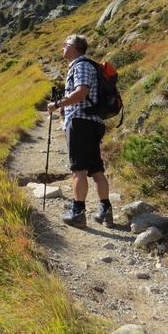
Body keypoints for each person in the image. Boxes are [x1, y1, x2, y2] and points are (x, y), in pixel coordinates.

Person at [47, 34, 113, 228]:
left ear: (75, 47)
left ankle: (78, 212)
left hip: (80, 122)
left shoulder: (80, 65)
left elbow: (81, 91)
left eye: (65, 44)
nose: (62, 47)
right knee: (96, 169)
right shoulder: (86, 65)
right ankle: (105, 212)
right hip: (94, 122)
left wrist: (58, 103)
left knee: (78, 169)